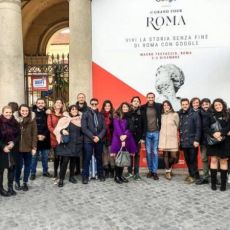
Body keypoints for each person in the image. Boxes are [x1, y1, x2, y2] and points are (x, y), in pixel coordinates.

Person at [54, 105, 83, 187]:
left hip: (76, 143)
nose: (74, 110)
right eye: (72, 109)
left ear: (77, 111)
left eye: (75, 109)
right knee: (65, 162)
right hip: (66, 144)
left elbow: (83, 130)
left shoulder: (80, 119)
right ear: (69, 111)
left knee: (73, 161)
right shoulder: (64, 119)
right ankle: (61, 179)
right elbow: (57, 129)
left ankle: (71, 177)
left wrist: (80, 139)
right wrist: (62, 130)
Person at [206, 98, 230, 191]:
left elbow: (229, 126)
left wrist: (220, 133)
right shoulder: (210, 115)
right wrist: (214, 134)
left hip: (225, 141)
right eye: (216, 105)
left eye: (219, 104)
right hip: (213, 141)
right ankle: (213, 184)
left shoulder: (228, 114)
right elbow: (206, 127)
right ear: (213, 106)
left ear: (222, 105)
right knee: (213, 160)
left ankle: (223, 185)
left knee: (223, 161)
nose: (218, 106)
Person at [81, 98, 106, 184]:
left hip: (99, 140)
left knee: (99, 157)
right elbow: (84, 128)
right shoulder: (85, 114)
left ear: (98, 104)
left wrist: (98, 137)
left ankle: (100, 174)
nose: (94, 105)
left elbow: (104, 128)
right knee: (87, 158)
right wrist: (93, 137)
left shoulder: (101, 115)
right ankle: (85, 176)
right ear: (90, 104)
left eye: (96, 104)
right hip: (88, 140)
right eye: (92, 104)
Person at [111, 102, 137, 184]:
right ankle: (116, 176)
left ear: (129, 108)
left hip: (127, 139)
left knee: (123, 158)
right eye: (124, 107)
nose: (125, 108)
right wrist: (122, 139)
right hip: (118, 139)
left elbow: (131, 129)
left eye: (127, 107)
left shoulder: (130, 117)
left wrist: (125, 136)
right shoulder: (116, 116)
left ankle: (120, 175)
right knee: (118, 158)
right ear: (121, 108)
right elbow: (117, 128)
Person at [14, 104, 37, 191]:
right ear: (19, 111)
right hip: (17, 147)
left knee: (28, 166)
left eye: (26, 111)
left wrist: (34, 147)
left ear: (29, 111)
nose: (24, 112)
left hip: (29, 146)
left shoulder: (32, 119)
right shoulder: (15, 120)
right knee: (18, 166)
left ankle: (25, 182)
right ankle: (17, 181)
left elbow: (35, 133)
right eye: (23, 111)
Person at [178, 98, 201, 184]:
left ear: (189, 104)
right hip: (184, 141)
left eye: (186, 104)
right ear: (181, 105)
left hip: (192, 141)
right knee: (187, 159)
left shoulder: (195, 114)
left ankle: (196, 176)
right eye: (183, 104)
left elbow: (199, 128)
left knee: (193, 159)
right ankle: (192, 174)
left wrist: (197, 140)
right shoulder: (180, 114)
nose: (184, 106)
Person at [141, 92, 162, 180]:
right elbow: (141, 122)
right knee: (149, 152)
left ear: (154, 98)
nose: (150, 99)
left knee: (155, 152)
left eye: (152, 97)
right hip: (147, 133)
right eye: (149, 97)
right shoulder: (143, 107)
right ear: (146, 98)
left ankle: (155, 172)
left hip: (156, 132)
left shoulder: (159, 106)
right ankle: (150, 170)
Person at [0, 106, 20, 196]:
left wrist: (13, 143)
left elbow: (19, 135)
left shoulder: (15, 122)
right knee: (1, 170)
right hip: (1, 149)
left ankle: (10, 187)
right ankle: (1, 189)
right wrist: (3, 146)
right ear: (3, 112)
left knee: (12, 168)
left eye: (10, 112)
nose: (8, 114)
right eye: (6, 112)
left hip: (13, 149)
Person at [30, 98, 51, 180]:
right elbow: (31, 127)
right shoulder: (32, 113)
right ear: (36, 103)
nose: (41, 104)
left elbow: (48, 125)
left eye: (42, 103)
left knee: (45, 157)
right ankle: (33, 173)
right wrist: (37, 136)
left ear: (45, 104)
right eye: (39, 103)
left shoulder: (48, 113)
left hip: (45, 139)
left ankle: (45, 172)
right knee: (33, 157)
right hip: (34, 139)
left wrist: (44, 135)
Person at [158, 100, 179, 180]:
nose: (166, 106)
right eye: (164, 105)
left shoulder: (175, 114)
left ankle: (169, 169)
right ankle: (167, 172)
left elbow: (178, 125)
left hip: (172, 138)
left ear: (170, 106)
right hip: (163, 138)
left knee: (174, 157)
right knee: (165, 155)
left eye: (167, 105)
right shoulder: (161, 115)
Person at [47, 99, 65, 181]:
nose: (58, 104)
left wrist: (62, 133)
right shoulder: (50, 114)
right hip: (54, 138)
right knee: (56, 157)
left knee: (62, 156)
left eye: (60, 103)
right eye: (57, 102)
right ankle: (55, 173)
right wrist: (56, 132)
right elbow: (49, 126)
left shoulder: (64, 115)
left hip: (63, 138)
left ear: (62, 105)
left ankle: (61, 173)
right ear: (54, 104)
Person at [196, 98, 212, 185]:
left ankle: (214, 177)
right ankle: (205, 177)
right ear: (201, 105)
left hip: (214, 140)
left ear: (210, 104)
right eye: (204, 104)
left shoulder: (213, 113)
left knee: (215, 159)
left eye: (207, 104)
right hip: (203, 140)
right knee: (204, 158)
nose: (205, 105)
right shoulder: (198, 113)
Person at [127, 96, 143, 180]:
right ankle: (129, 172)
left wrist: (142, 137)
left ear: (139, 103)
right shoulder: (128, 113)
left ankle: (136, 173)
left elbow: (144, 125)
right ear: (131, 103)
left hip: (138, 138)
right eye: (134, 101)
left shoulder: (142, 112)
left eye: (137, 101)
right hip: (129, 137)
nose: (136, 102)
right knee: (130, 155)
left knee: (137, 155)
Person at [75, 93, 89, 176]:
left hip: (86, 134)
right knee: (76, 152)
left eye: (82, 97)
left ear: (84, 98)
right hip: (76, 133)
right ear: (77, 98)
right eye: (79, 97)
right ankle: (77, 169)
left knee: (85, 152)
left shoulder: (88, 109)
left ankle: (84, 169)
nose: (81, 98)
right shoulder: (74, 108)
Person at [101, 100, 115, 178]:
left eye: (109, 106)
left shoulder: (114, 115)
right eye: (106, 106)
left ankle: (112, 169)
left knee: (111, 154)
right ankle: (106, 170)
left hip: (112, 137)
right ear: (103, 107)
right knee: (104, 154)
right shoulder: (100, 115)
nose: (107, 107)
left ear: (111, 107)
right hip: (103, 137)